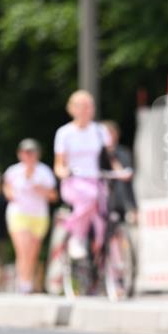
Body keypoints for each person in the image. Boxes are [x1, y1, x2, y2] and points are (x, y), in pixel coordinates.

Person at [53, 90, 112, 260]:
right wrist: (64, 173)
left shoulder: (100, 131)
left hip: (97, 180)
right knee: (90, 197)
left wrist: (120, 171)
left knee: (103, 217)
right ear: (72, 109)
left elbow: (110, 158)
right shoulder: (64, 133)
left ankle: (106, 263)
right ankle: (76, 237)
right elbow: (59, 164)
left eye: (90, 106)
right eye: (82, 106)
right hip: (75, 182)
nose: (87, 110)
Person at [4, 139, 57, 294]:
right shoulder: (13, 171)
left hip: (39, 215)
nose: (29, 156)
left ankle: (25, 280)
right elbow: (7, 191)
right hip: (19, 214)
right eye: (26, 152)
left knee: (33, 252)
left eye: (32, 152)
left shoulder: (44, 172)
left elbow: (54, 196)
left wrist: (42, 190)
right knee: (23, 249)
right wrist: (14, 194)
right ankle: (23, 283)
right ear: (20, 154)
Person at [102, 120, 138, 223]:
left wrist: (111, 157)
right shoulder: (97, 156)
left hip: (124, 202)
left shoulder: (123, 153)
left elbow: (127, 176)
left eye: (110, 133)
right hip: (104, 203)